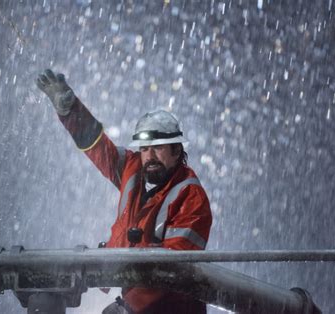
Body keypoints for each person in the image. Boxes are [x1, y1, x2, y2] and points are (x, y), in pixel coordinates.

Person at [36, 69, 212, 314]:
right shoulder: (134, 170)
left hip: (173, 308)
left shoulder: (191, 197)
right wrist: (70, 111)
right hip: (136, 299)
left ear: (176, 151)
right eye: (144, 148)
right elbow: (99, 149)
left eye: (158, 148)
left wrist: (130, 307)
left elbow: (176, 269)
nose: (150, 156)